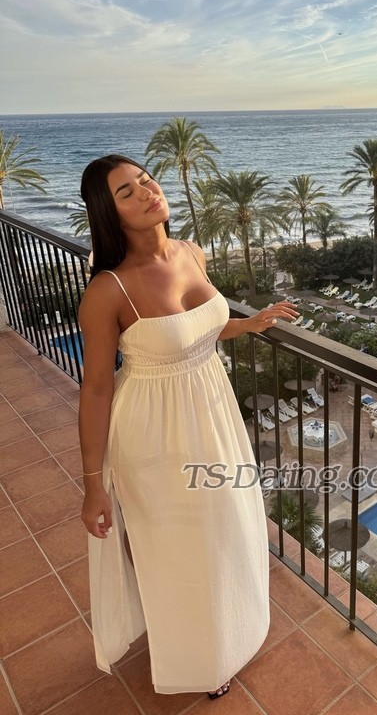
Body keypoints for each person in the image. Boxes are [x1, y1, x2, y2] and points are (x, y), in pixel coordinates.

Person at [77, 155, 297, 698]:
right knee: (180, 547)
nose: (146, 192)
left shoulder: (190, 252)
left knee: (225, 530)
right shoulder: (108, 290)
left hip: (213, 415)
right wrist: (92, 485)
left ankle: (227, 634)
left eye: (145, 180)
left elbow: (200, 329)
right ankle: (200, 660)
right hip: (153, 434)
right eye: (126, 192)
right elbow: (97, 388)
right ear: (109, 213)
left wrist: (249, 323)